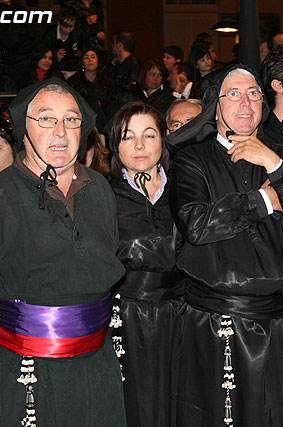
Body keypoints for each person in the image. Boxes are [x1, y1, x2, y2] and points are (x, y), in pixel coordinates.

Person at [0, 78, 127, 426]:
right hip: (22, 368)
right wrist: (17, 333)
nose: (60, 131)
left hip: (96, 365)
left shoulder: (100, 189)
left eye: (71, 120)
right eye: (46, 119)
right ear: (24, 128)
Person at [167, 64, 283, 426]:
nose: (245, 102)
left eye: (253, 93)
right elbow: (197, 225)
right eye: (233, 93)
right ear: (214, 106)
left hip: (281, 319)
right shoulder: (191, 160)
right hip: (217, 320)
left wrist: (273, 162)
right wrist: (265, 200)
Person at [108, 102, 185, 426]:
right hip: (125, 317)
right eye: (128, 137)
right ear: (115, 144)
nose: (139, 146)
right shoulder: (102, 193)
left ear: (164, 139)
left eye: (149, 135)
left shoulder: (187, 187)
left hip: (183, 313)